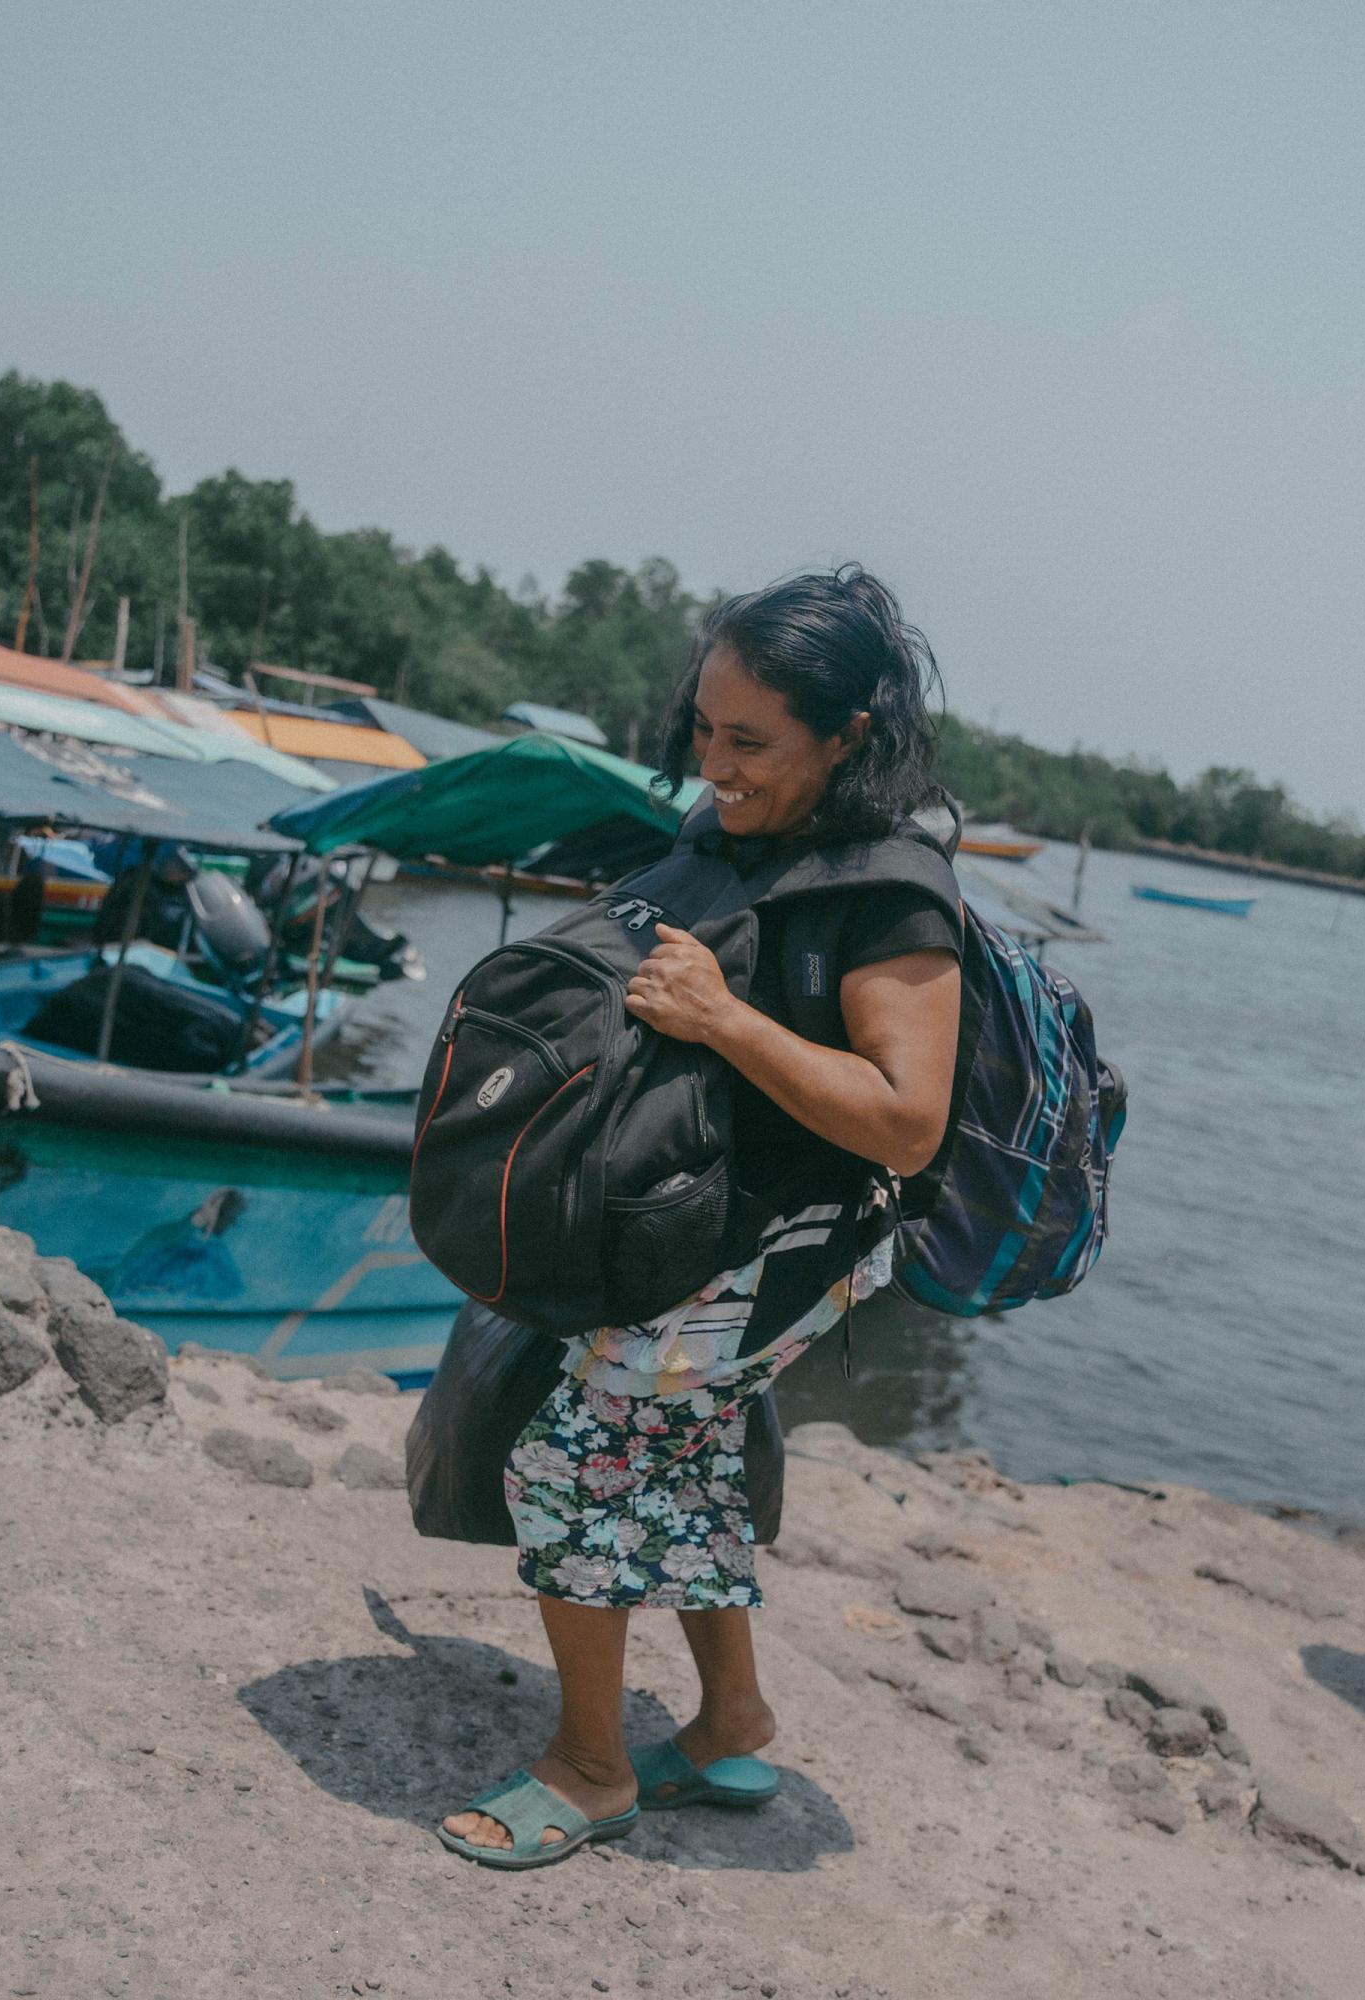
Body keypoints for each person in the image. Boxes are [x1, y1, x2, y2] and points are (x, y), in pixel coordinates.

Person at [436, 567, 965, 1867]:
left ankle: (593, 1767)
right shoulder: (743, 837)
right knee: (681, 1449)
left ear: (846, 739)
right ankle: (729, 1726)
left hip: (800, 1239)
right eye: (704, 730)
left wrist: (724, 1021)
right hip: (712, 1219)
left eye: (749, 743)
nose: (713, 765)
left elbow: (908, 1120)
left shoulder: (891, 892)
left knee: (580, 1457)